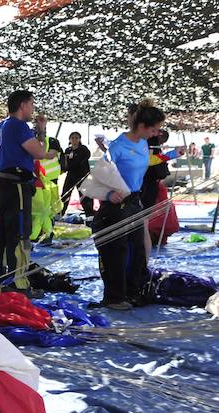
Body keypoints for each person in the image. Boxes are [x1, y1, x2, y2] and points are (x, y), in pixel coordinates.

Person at [0, 91, 57, 295]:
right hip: (17, 187)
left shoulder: (0, 127)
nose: (32, 109)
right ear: (23, 105)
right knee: (19, 234)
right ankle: (18, 284)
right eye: (31, 104)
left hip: (2, 185)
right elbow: (39, 152)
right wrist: (41, 132)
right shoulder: (18, 125)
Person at [93, 100, 167, 310]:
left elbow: (147, 166)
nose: (156, 133)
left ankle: (133, 291)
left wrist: (171, 156)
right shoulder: (118, 146)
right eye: (154, 129)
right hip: (117, 204)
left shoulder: (143, 144)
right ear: (142, 127)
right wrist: (108, 193)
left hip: (135, 199)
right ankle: (114, 296)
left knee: (138, 248)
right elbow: (99, 172)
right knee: (117, 249)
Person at [62, 132, 93, 216]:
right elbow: (66, 163)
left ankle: (89, 213)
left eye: (76, 138)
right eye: (72, 138)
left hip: (82, 175)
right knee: (65, 194)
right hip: (71, 175)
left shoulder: (83, 149)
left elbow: (82, 160)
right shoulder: (68, 150)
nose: (74, 140)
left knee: (84, 195)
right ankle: (61, 212)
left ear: (79, 139)